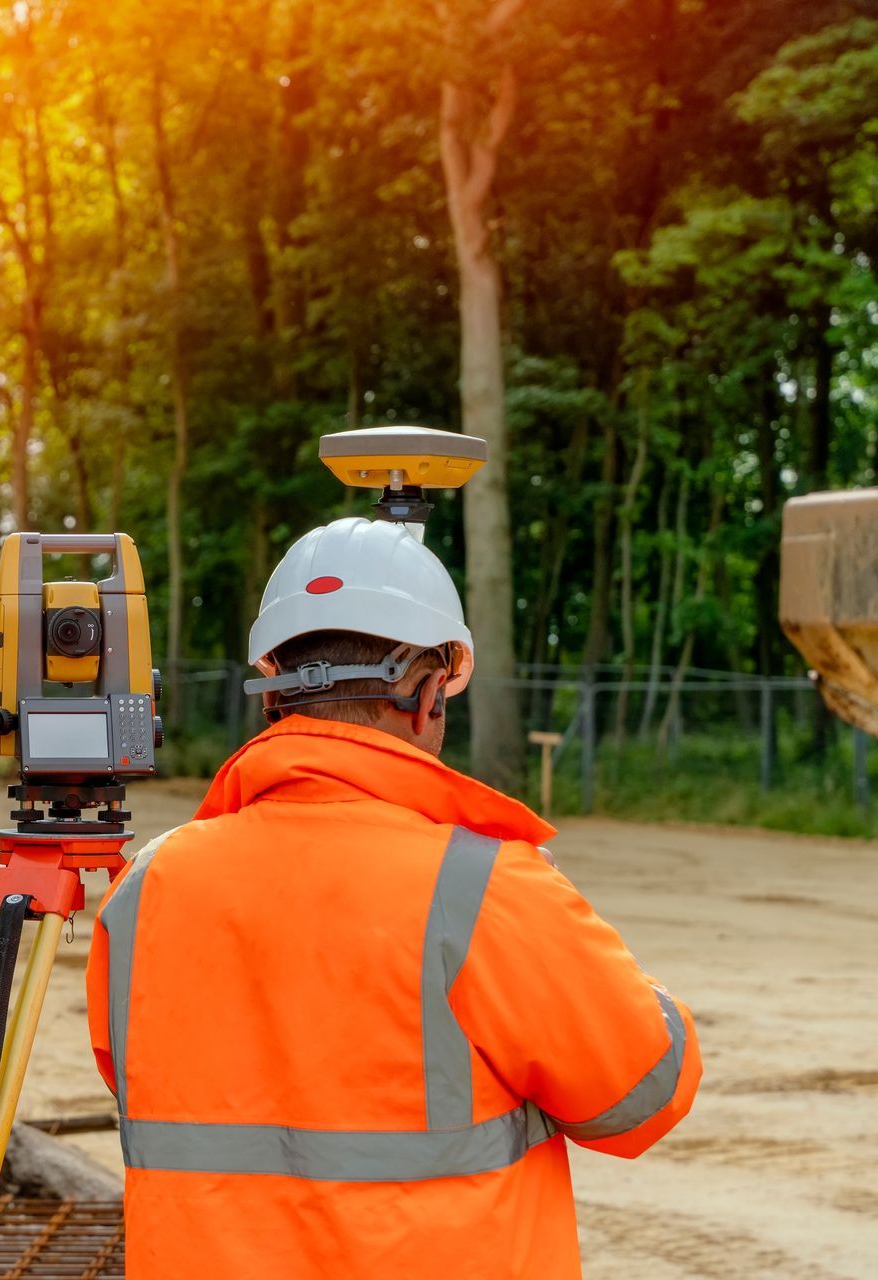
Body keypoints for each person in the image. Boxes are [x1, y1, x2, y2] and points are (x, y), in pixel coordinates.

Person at [85, 515, 700, 1278]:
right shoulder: (484, 888)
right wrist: (638, 996)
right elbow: (641, 1095)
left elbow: (140, 1072)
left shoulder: (147, 889)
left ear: (273, 696)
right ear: (426, 694)